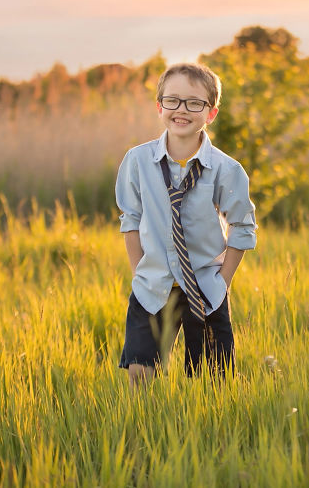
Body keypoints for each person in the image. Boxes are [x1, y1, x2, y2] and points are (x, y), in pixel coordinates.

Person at [115, 62, 257, 387]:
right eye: (173, 100)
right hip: (153, 284)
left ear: (211, 113)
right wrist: (139, 273)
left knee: (211, 383)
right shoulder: (137, 161)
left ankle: (206, 418)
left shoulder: (226, 169)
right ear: (159, 106)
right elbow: (131, 220)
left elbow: (242, 226)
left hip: (205, 285)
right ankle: (146, 419)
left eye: (194, 103)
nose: (181, 109)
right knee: (140, 374)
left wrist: (222, 281)